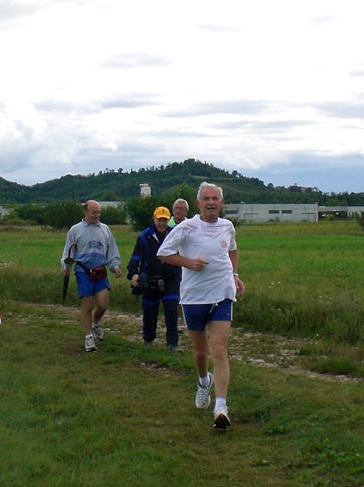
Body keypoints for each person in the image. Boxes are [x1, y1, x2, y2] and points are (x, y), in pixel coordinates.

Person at [157, 182, 244, 429]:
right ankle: (204, 380)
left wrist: (235, 275)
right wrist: (189, 262)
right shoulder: (187, 227)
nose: (211, 203)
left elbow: (233, 252)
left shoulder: (227, 226)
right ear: (199, 203)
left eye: (215, 199)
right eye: (206, 199)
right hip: (194, 297)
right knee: (200, 352)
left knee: (219, 349)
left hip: (222, 294)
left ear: (221, 203)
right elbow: (163, 253)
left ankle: (221, 407)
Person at [61, 200, 122, 352]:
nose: (96, 215)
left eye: (98, 212)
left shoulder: (105, 229)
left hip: (100, 271)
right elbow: (68, 251)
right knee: (87, 305)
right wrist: (66, 266)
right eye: (94, 212)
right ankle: (88, 337)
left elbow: (111, 249)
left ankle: (95, 323)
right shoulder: (75, 230)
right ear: (86, 212)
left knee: (103, 304)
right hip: (83, 271)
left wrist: (115, 266)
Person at [127, 206, 182, 351]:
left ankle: (172, 344)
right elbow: (136, 257)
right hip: (149, 279)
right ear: (154, 219)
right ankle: (148, 340)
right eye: (159, 220)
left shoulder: (175, 234)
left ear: (168, 220)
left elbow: (183, 255)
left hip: (171, 279)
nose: (162, 223)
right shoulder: (144, 236)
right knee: (149, 312)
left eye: (164, 220)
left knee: (171, 310)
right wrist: (134, 274)